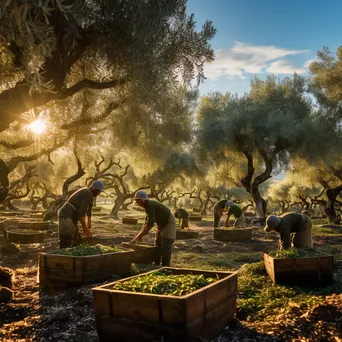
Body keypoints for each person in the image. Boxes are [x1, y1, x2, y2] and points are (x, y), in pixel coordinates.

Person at [129, 190, 176, 266]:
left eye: (138, 201)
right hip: (161, 224)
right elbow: (146, 223)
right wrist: (138, 236)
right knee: (157, 243)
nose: (137, 203)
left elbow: (150, 224)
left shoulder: (151, 205)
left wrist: (139, 237)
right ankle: (156, 263)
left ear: (142, 200)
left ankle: (166, 267)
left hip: (168, 222)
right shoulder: (147, 206)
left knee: (166, 244)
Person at [58, 180, 105, 249]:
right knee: (66, 240)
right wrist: (84, 227)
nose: (98, 193)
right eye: (98, 191)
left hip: (72, 217)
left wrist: (89, 223)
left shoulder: (89, 194)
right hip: (66, 215)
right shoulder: (88, 193)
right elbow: (81, 213)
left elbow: (89, 209)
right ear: (94, 189)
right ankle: (61, 258)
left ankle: (74, 258)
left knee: (77, 240)